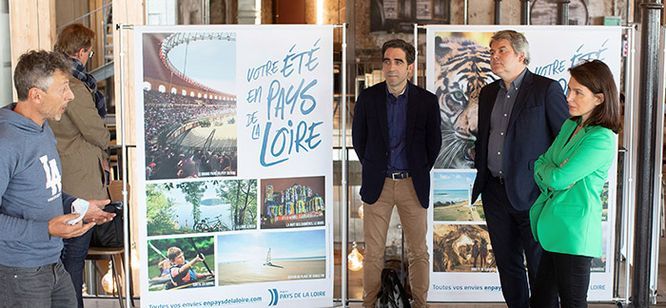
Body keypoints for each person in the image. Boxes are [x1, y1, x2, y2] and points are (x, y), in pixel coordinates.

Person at [0, 50, 112, 307]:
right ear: (36, 95)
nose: (70, 96)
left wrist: (79, 206)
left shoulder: (42, 129)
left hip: (52, 263)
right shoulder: (6, 142)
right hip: (19, 272)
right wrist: (46, 229)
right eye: (63, 89)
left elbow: (46, 191)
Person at [471, 30, 569, 307]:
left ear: (521, 55)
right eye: (492, 52)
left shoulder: (545, 89)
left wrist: (551, 184)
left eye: (501, 50)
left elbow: (564, 140)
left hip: (533, 194)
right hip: (494, 191)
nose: (494, 57)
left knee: (540, 265)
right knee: (507, 264)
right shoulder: (489, 92)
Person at [352, 39, 441, 308]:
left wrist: (417, 170)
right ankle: (369, 303)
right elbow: (359, 140)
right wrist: (374, 166)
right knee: (373, 253)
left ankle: (420, 304)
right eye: (387, 61)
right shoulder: (368, 98)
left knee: (418, 252)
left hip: (412, 184)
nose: (392, 67)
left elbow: (433, 144)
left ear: (410, 68)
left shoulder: (426, 101)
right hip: (378, 183)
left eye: (398, 61)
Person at [529, 60, 621, 307]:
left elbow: (559, 178)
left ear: (599, 98)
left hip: (574, 233)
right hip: (552, 225)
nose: (569, 97)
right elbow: (540, 163)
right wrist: (551, 170)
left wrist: (551, 171)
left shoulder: (602, 138)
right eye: (569, 89)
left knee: (572, 302)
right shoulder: (571, 125)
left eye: (578, 92)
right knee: (540, 301)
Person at [52, 23, 112, 308]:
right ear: (81, 51)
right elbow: (95, 130)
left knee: (63, 260)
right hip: (79, 185)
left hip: (60, 180)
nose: (90, 57)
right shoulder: (73, 85)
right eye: (89, 51)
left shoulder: (51, 78)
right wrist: (106, 138)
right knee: (73, 260)